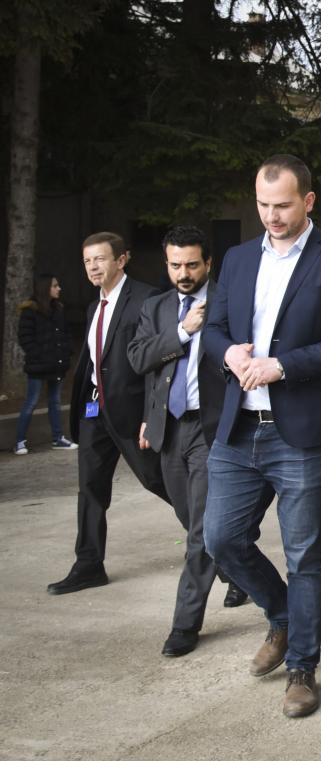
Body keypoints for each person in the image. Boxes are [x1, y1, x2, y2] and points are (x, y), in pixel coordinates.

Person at [202, 154, 321, 718]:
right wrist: (228, 352)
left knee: (305, 556)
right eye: (263, 205)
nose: (271, 216)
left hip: (300, 433)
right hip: (238, 429)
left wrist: (282, 366)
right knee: (221, 540)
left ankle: (302, 667)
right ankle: (281, 616)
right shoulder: (237, 258)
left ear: (308, 201)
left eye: (283, 205)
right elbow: (214, 328)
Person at [127, 225, 263, 657]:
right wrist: (184, 331)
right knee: (191, 520)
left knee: (201, 531)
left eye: (191, 264)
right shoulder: (157, 307)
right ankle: (238, 573)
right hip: (170, 428)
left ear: (208, 263)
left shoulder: (231, 300)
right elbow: (139, 359)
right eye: (175, 265)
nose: (183, 273)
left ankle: (184, 624)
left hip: (214, 429)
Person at [46, 233, 171, 595]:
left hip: (132, 414)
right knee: (90, 487)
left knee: (158, 480)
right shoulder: (93, 307)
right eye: (87, 261)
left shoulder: (147, 299)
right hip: (94, 411)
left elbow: (157, 362)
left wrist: (151, 414)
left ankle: (223, 554)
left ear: (121, 259)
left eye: (100, 259)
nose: (93, 267)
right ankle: (88, 565)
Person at [14, 274, 76, 454]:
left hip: (57, 365)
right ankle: (19, 441)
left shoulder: (58, 309)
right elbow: (25, 338)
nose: (59, 288)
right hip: (38, 366)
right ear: (45, 288)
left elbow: (65, 334)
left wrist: (65, 353)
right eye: (55, 286)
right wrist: (40, 356)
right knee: (31, 402)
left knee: (55, 402)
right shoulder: (30, 311)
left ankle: (58, 438)